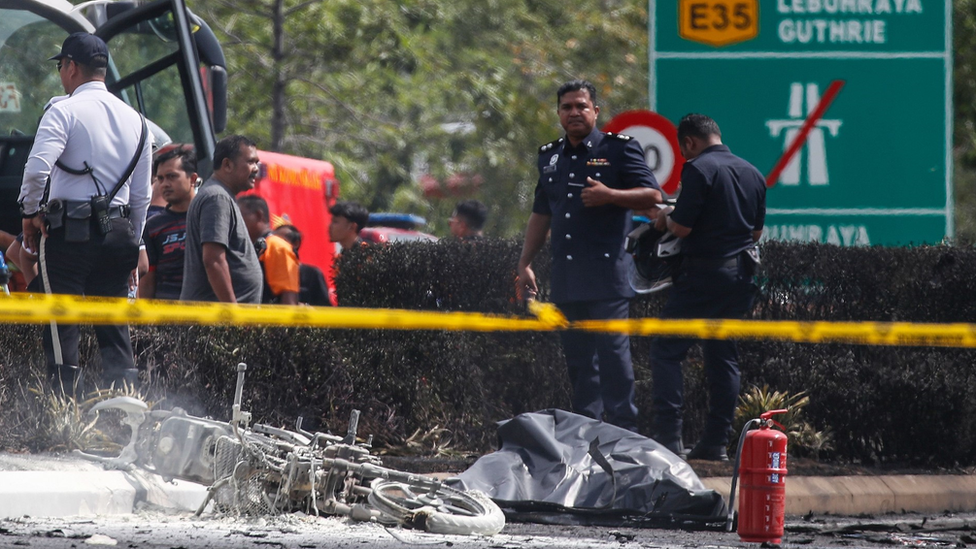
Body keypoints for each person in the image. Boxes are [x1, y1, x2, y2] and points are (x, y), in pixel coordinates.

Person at [516, 79, 662, 432]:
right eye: (567, 107)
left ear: (596, 111)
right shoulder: (549, 156)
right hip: (567, 279)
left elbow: (654, 197)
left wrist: (611, 194)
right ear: (559, 114)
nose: (574, 113)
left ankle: (625, 433)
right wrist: (524, 263)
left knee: (614, 358)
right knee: (580, 363)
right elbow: (541, 213)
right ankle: (586, 432)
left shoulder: (618, 149)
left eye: (581, 106)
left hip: (608, 278)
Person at [17, 32, 152, 395]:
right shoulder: (138, 121)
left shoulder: (62, 109)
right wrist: (134, 245)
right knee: (114, 326)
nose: (62, 73)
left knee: (63, 324)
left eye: (61, 66)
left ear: (72, 67)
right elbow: (142, 196)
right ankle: (124, 412)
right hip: (121, 233)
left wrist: (30, 213)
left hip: (68, 235)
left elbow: (35, 170)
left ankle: (65, 414)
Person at [648, 113, 766, 461]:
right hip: (739, 277)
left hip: (702, 276)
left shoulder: (698, 169)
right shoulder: (752, 172)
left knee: (666, 350)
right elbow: (755, 233)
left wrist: (662, 218)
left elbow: (681, 227)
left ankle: (669, 439)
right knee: (722, 357)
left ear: (689, 143)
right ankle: (715, 443)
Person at [180, 135, 263, 304]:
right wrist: (232, 314)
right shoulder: (217, 197)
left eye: (257, 163)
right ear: (227, 165)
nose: (256, 169)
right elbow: (214, 260)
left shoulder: (220, 195)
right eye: (250, 162)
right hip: (214, 321)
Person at [138, 146, 197, 299]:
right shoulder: (153, 226)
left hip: (205, 313)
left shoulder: (207, 218)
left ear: (193, 179)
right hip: (166, 313)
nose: (164, 184)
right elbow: (148, 279)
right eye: (160, 178)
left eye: (172, 176)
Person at [237, 195, 300, 305]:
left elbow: (288, 298)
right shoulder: (253, 246)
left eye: (239, 217)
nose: (236, 223)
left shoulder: (277, 247)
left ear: (259, 215)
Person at [273, 224, 331, 306]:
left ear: (296, 244)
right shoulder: (268, 273)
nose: (275, 246)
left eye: (281, 241)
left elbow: (325, 307)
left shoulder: (312, 274)